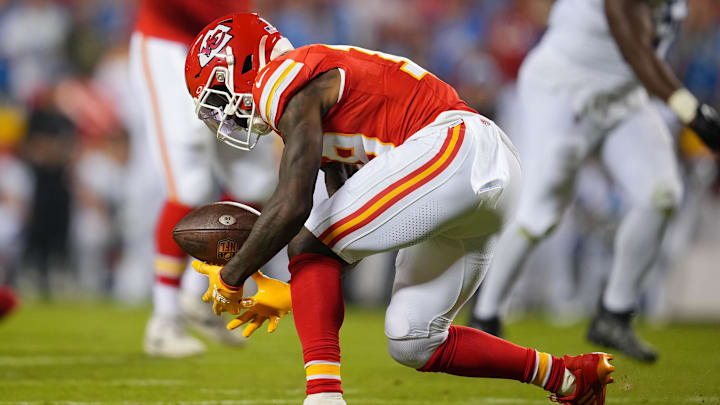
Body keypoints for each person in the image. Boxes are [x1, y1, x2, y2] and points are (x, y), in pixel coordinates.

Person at [186, 13, 615, 405]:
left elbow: (295, 205)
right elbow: (347, 234)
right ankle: (569, 378)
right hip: (488, 169)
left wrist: (232, 276)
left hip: (452, 150)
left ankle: (323, 399)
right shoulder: (321, 90)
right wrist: (298, 289)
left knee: (311, 241)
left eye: (218, 91)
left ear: (243, 64)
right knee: (414, 338)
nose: (224, 111)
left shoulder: (283, 76)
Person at [469, 0, 720, 363]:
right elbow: (634, 49)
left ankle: (614, 314)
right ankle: (485, 317)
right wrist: (690, 111)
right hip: (561, 93)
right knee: (541, 211)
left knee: (661, 195)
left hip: (622, 100)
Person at [129, 0, 283, 357]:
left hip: (231, 46)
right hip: (172, 44)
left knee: (256, 182)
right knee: (189, 186)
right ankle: (164, 319)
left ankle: (202, 292)